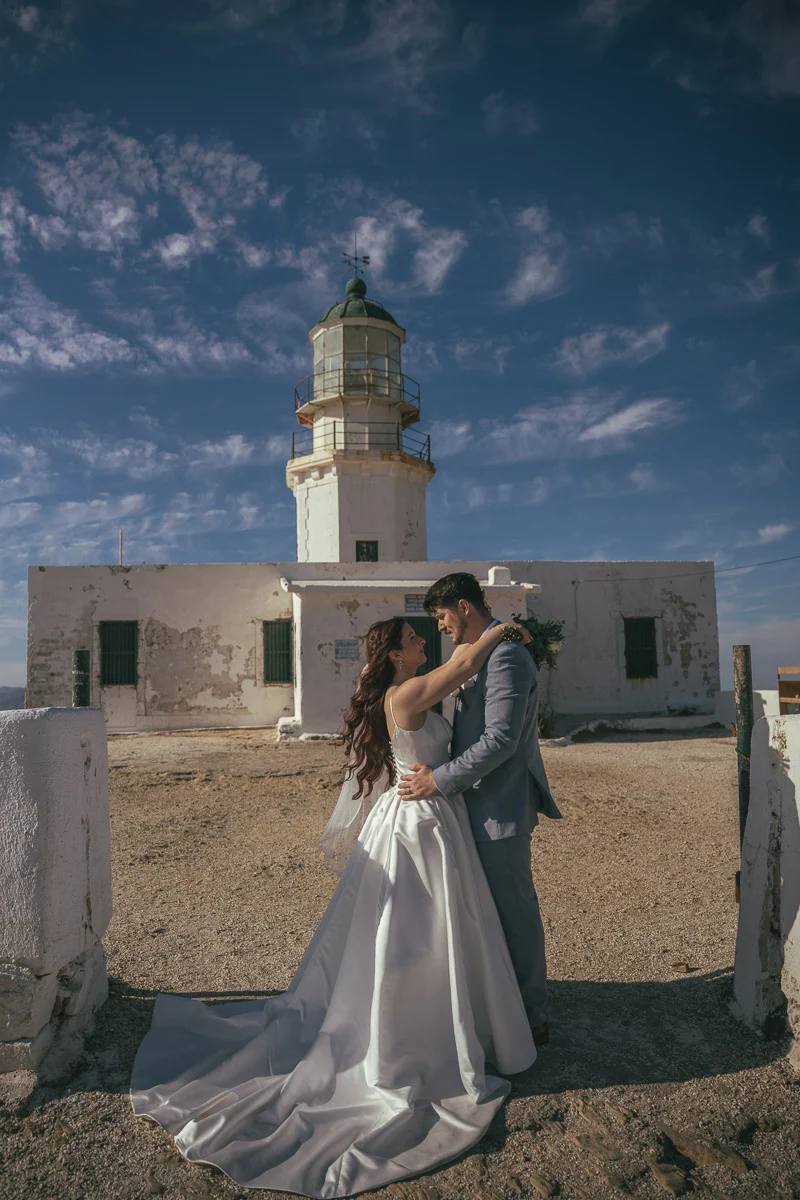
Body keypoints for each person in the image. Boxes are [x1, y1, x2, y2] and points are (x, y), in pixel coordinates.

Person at [130, 614, 537, 1199]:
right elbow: (466, 664)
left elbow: (455, 675)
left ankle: (443, 1014)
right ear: (397, 655)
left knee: (425, 930)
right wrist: (500, 628)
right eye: (415, 638)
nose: (426, 641)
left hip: (418, 812)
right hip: (417, 821)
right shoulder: (408, 692)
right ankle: (415, 1031)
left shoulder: (400, 689)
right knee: (418, 932)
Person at [398, 572, 562, 1045]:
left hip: (500, 804)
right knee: (481, 910)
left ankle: (533, 1014)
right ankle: (497, 1003)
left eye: (443, 616)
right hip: (469, 805)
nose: (442, 626)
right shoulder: (472, 656)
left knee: (514, 909)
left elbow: (502, 740)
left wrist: (438, 780)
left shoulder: (507, 655)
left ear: (465, 607)